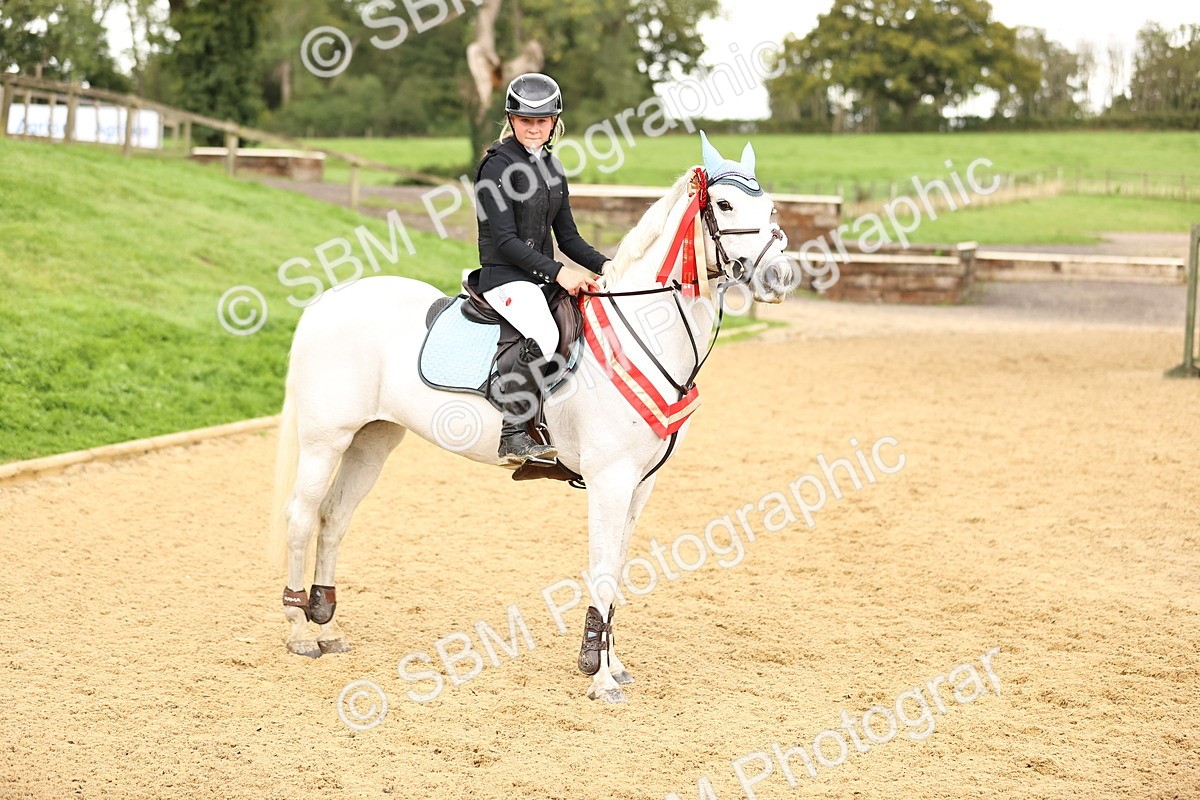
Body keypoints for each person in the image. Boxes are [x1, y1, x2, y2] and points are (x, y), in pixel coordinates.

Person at [472, 72, 609, 465]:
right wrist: (559, 273)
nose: (534, 128)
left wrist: (610, 266)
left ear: (554, 123)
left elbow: (569, 238)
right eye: (526, 121)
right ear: (511, 120)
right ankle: (513, 433)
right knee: (544, 333)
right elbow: (505, 241)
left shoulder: (552, 167)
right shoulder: (495, 167)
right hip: (504, 276)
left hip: (540, 277)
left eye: (542, 121)